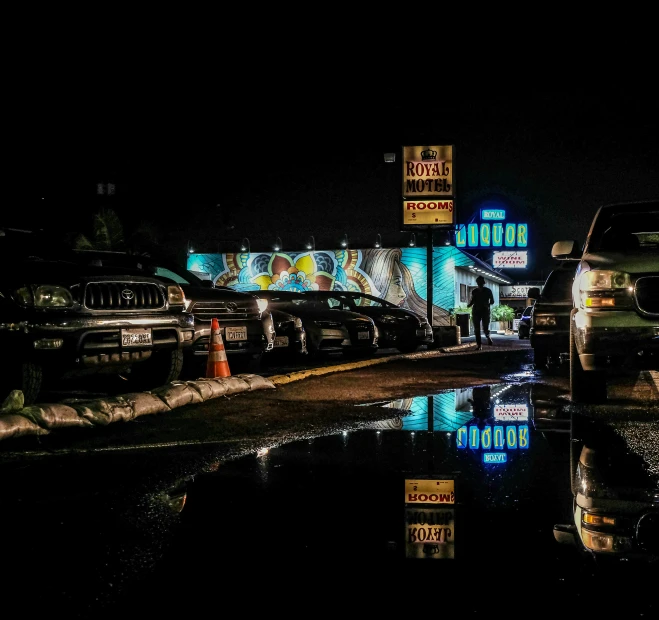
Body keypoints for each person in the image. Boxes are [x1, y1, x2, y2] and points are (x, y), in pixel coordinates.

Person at [467, 275, 494, 350]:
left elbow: (492, 301)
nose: (479, 284)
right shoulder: (474, 291)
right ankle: (479, 345)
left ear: (483, 283)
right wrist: (469, 305)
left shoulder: (488, 291)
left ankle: (488, 337)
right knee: (477, 329)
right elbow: (473, 301)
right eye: (478, 282)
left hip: (485, 311)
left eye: (480, 282)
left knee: (485, 328)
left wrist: (487, 304)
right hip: (476, 311)